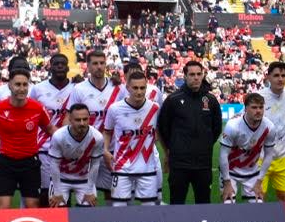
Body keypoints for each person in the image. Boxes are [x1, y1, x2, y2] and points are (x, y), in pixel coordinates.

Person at [0, 69, 57, 209]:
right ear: (10, 85)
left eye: (25, 85)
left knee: (32, 206)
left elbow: (51, 129)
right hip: (6, 162)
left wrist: (70, 141)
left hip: (30, 163)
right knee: (4, 207)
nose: (22, 89)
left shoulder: (37, 108)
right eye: (18, 84)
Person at [157, 61, 222, 204]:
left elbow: (216, 129)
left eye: (199, 74)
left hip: (203, 164)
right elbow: (163, 128)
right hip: (179, 164)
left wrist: (203, 144)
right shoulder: (172, 100)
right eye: (192, 74)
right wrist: (174, 147)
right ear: (185, 76)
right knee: (177, 204)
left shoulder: (210, 100)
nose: (196, 78)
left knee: (204, 203)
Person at [68, 50, 122, 202]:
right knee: (86, 196)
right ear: (88, 66)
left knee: (112, 194)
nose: (99, 67)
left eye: (102, 63)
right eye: (95, 63)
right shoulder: (79, 89)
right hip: (86, 150)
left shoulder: (118, 87)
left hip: (111, 150)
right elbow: (70, 117)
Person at [103, 71, 161, 206]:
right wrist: (105, 150)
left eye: (142, 88)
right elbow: (107, 132)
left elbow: (160, 130)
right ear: (127, 88)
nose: (139, 92)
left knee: (150, 209)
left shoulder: (154, 108)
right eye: (135, 88)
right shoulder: (115, 109)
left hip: (148, 168)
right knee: (119, 209)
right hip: (122, 167)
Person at [30, 53, 74, 207]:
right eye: (56, 63)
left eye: (63, 63)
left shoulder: (76, 88)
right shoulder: (38, 89)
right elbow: (30, 114)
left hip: (69, 149)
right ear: (50, 67)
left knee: (66, 189)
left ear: (68, 67)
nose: (60, 66)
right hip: (44, 148)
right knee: (45, 190)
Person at [219, 93, 277, 203]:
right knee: (227, 205)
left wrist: (259, 181)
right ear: (245, 108)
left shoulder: (269, 127)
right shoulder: (233, 126)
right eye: (254, 107)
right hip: (230, 172)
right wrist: (227, 182)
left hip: (252, 173)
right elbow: (223, 155)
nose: (258, 111)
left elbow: (269, 154)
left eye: (261, 107)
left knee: (259, 206)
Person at [47, 103, 104, 207]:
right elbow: (54, 165)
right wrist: (57, 192)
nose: (82, 123)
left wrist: (89, 190)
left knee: (88, 211)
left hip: (84, 179)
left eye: (85, 119)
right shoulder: (59, 136)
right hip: (61, 178)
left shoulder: (97, 137)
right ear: (70, 120)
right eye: (78, 120)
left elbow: (95, 165)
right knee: (57, 209)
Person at [258, 62, 285, 202]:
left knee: (284, 196)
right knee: (258, 197)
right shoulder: (259, 97)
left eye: (283, 75)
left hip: (283, 157)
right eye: (276, 75)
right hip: (260, 157)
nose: (280, 79)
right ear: (268, 77)